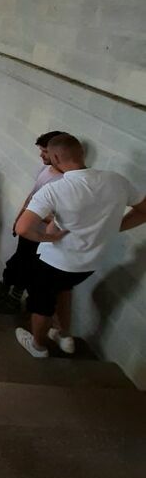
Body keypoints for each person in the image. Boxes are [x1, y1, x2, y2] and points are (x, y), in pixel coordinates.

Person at [14, 134, 146, 358]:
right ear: (81, 153)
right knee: (65, 291)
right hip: (88, 264)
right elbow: (144, 210)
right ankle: (64, 335)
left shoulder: (54, 189)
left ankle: (38, 346)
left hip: (54, 261)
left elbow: (23, 228)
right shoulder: (117, 181)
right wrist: (114, 227)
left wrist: (49, 239)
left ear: (55, 157)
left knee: (42, 305)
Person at [0, 130, 67, 313]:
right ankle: (4, 289)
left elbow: (59, 217)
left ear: (57, 154)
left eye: (44, 152)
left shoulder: (64, 181)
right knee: (17, 262)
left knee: (27, 267)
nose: (41, 155)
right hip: (28, 228)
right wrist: (20, 216)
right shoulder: (45, 170)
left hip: (42, 234)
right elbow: (33, 195)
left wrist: (35, 216)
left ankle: (13, 299)